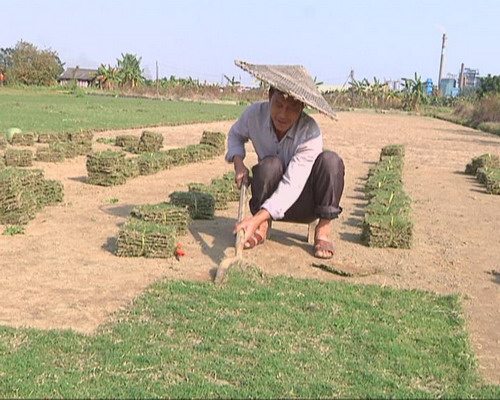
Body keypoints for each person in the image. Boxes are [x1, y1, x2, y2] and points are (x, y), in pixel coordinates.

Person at [225, 61, 345, 259]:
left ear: (302, 108)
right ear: (269, 97)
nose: (282, 114)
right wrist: (238, 163)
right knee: (269, 165)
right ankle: (262, 226)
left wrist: (253, 218)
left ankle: (323, 229)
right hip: (268, 191)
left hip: (306, 202)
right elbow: (235, 135)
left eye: (291, 108)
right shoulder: (254, 115)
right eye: (278, 104)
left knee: (331, 161)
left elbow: (292, 185)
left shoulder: (310, 132)